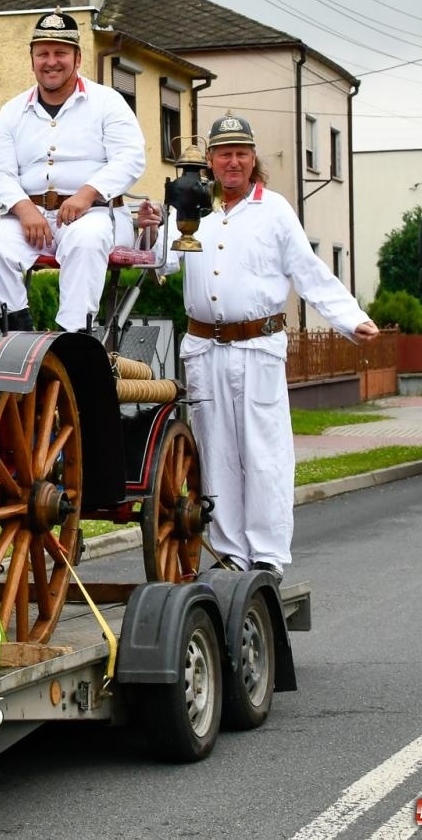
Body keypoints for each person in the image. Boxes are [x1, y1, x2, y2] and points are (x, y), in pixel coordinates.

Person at [139, 113, 378, 577]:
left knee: (264, 452)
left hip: (258, 347)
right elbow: (160, 264)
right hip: (205, 348)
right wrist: (151, 225)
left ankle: (268, 553)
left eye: (241, 153)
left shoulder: (275, 211)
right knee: (217, 452)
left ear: (253, 160)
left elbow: (309, 273)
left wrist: (352, 320)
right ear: (208, 161)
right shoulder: (190, 210)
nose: (232, 162)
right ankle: (231, 550)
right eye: (224, 153)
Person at [0, 9, 145, 332]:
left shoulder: (108, 102)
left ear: (78, 58)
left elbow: (131, 156)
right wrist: (23, 208)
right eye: (42, 53)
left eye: (60, 52)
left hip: (98, 214)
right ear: (32, 60)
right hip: (32, 219)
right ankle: (17, 331)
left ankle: (74, 339)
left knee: (86, 239)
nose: (51, 61)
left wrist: (88, 194)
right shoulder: (11, 111)